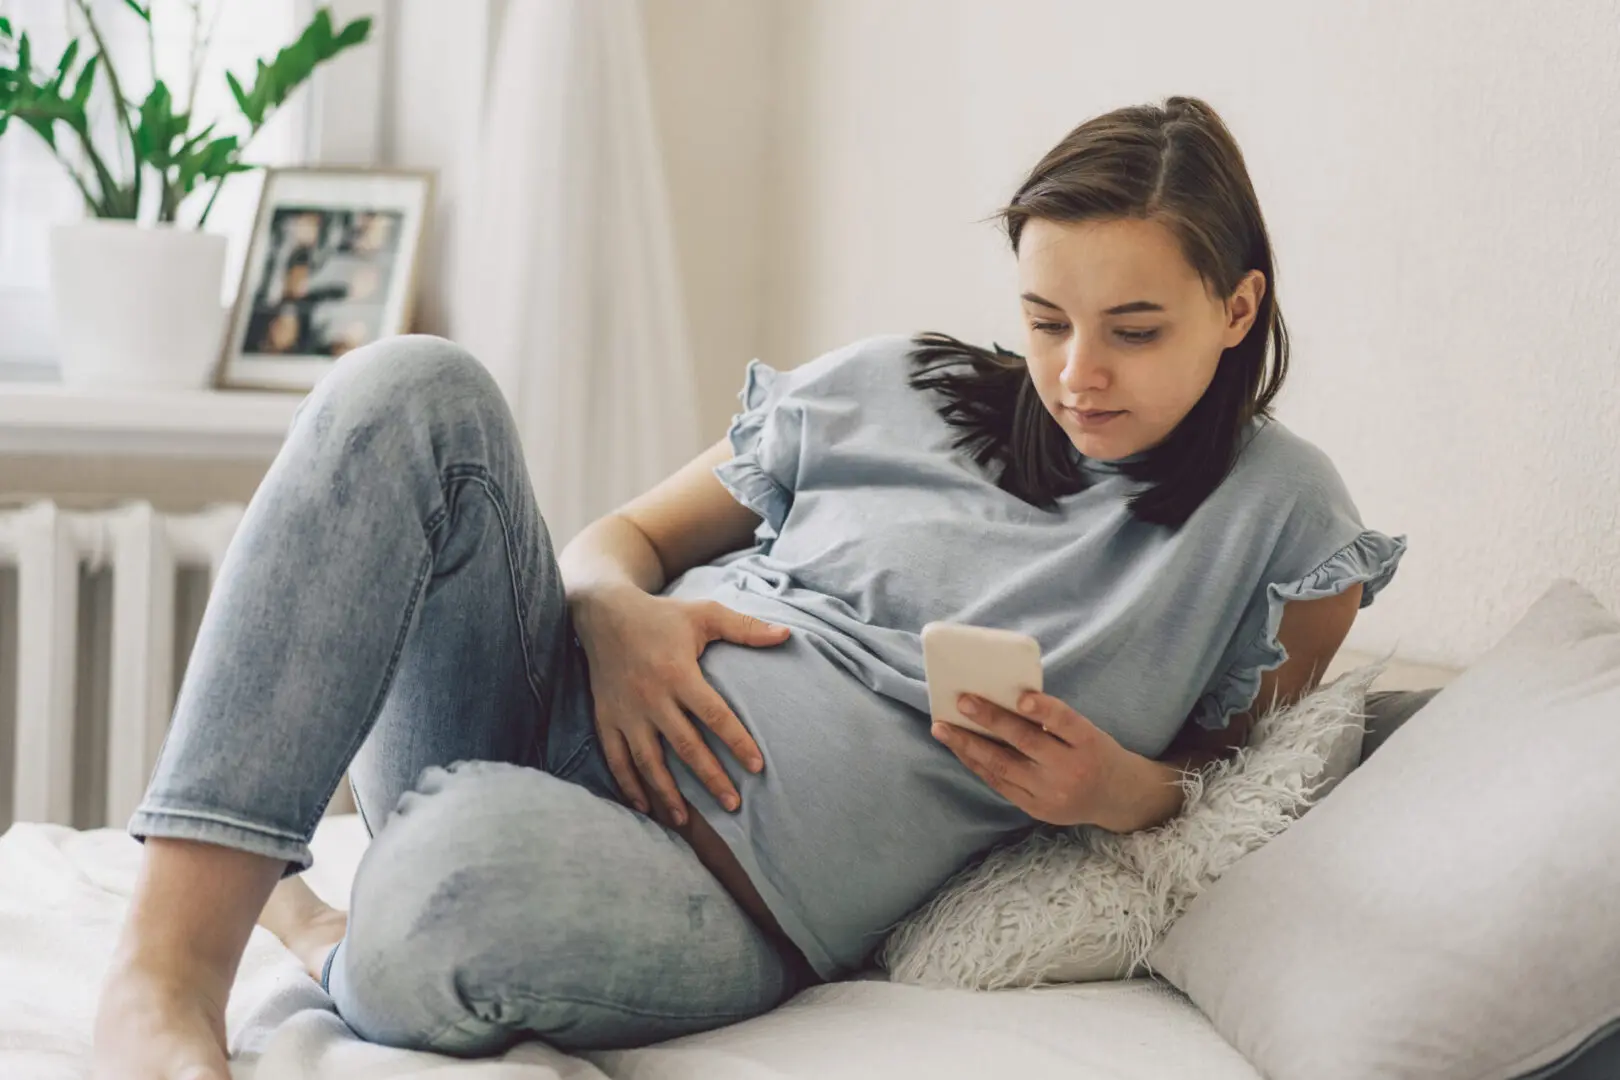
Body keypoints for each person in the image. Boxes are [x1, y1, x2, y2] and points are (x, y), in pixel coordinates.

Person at [92, 95, 1404, 1079]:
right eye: (1047, 318)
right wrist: (615, 620)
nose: (1075, 377)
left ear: (1236, 312)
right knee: (411, 387)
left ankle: (322, 925)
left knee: (450, 895)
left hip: (721, 891)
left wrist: (1109, 791)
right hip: (539, 703)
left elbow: (1230, 800)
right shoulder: (892, 384)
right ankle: (164, 976)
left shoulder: (1285, 526)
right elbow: (624, 539)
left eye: (1134, 330)